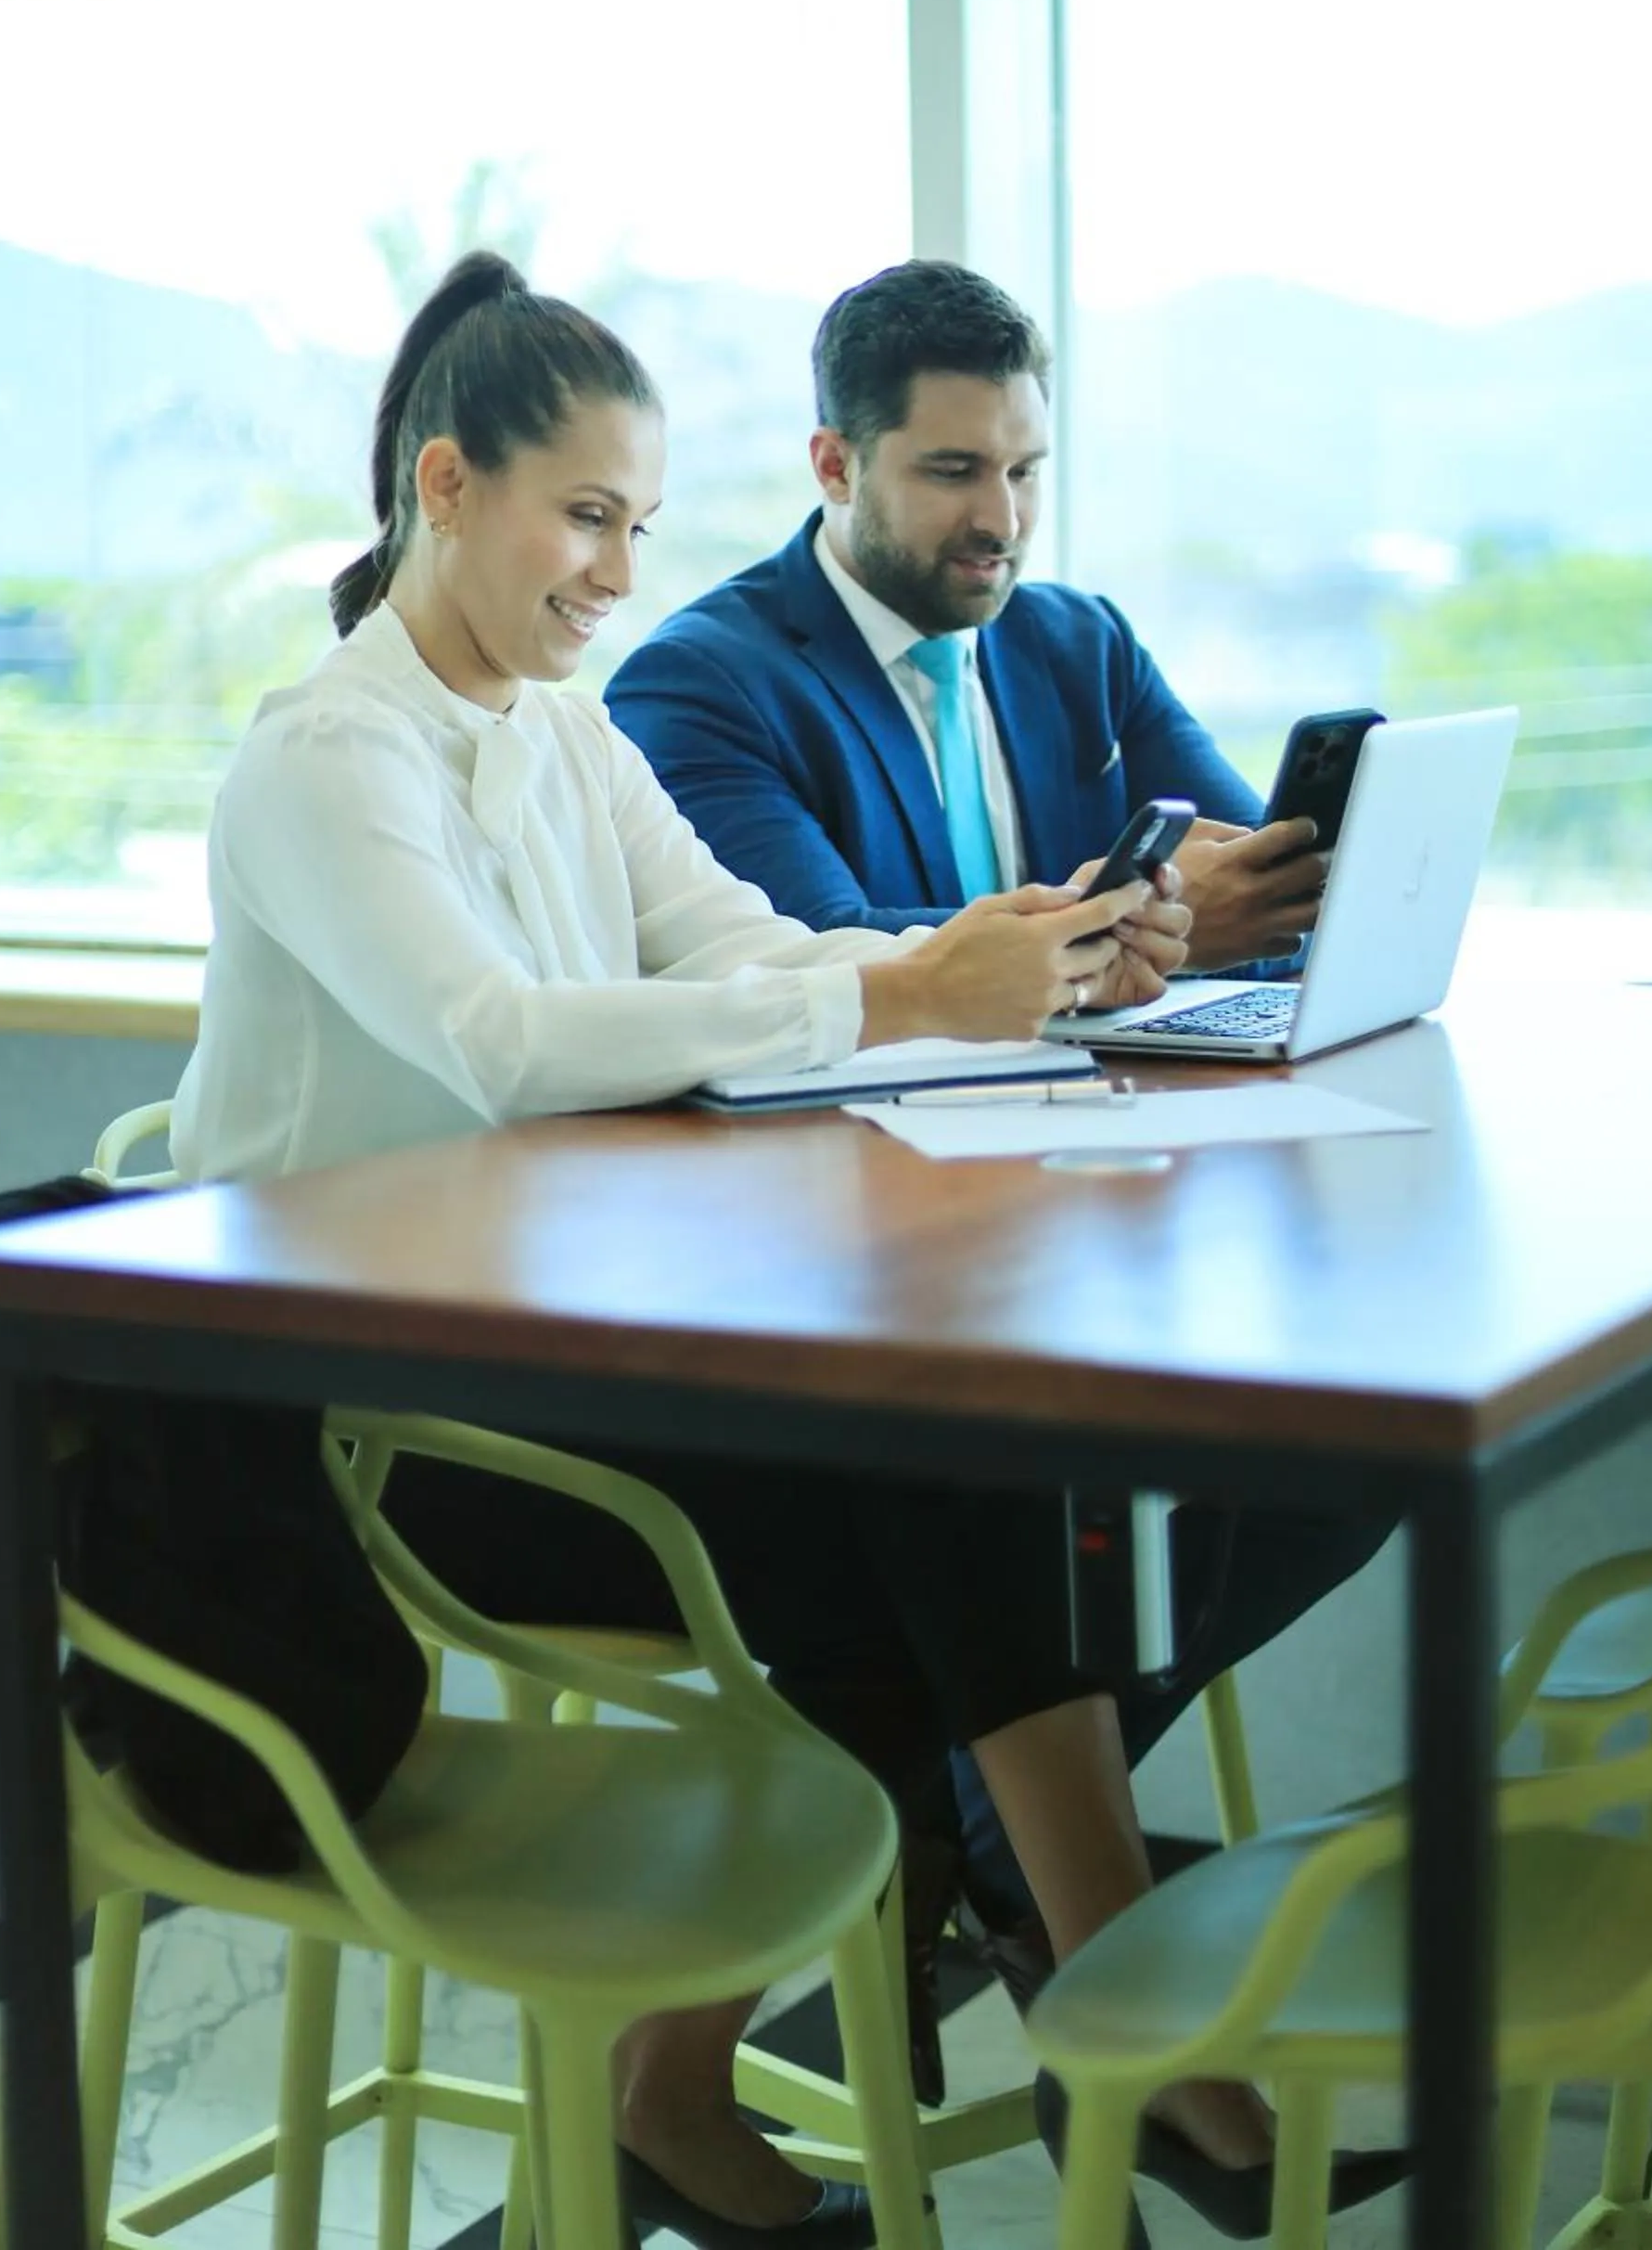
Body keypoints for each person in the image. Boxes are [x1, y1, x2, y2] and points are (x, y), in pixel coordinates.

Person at [171, 254, 1402, 2248]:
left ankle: (799, 2072)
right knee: (938, 1502)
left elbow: (748, 945)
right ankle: (1102, 2032)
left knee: (954, 1477)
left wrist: (985, 960)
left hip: (559, 1345)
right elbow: (503, 1041)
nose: (615, 573)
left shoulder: (561, 735)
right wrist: (908, 996)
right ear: (446, 486)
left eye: (639, 527)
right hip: (389, 1427)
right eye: (585, 517)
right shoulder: (330, 756)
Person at [606, 257, 1395, 1994]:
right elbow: (837, 964)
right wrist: (1134, 922)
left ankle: (984, 1811)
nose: (1003, 519)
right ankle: (1044, 1868)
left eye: (1026, 469)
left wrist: (1241, 904)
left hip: (1067, 1227)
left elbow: (1259, 890)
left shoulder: (1071, 642)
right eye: (955, 471)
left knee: (1351, 1454)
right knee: (998, 1516)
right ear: (837, 464)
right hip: (833, 1271)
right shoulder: (703, 684)